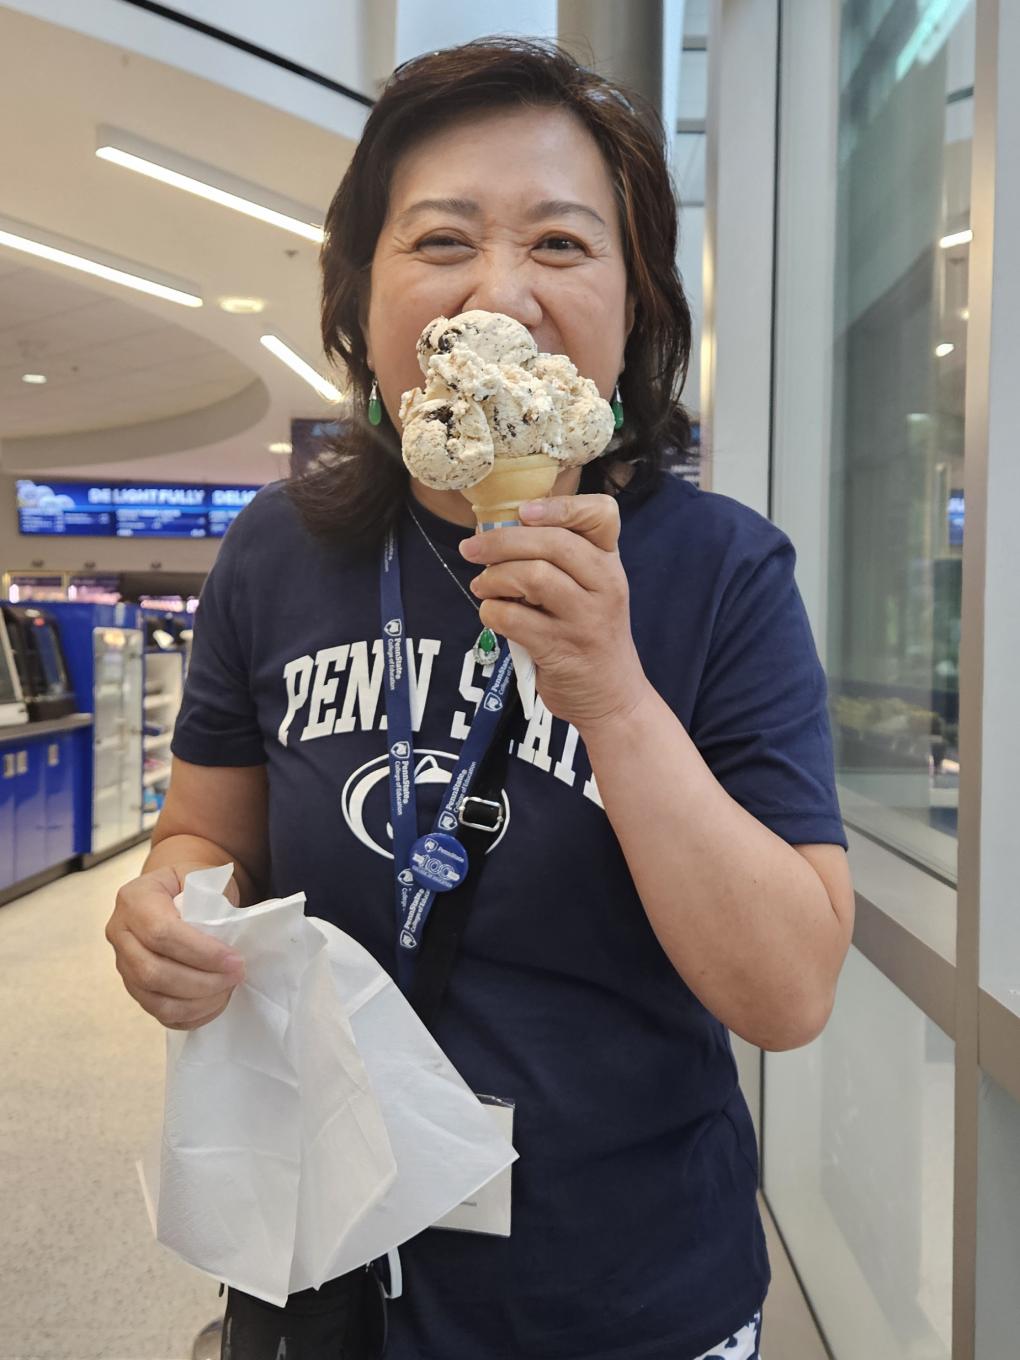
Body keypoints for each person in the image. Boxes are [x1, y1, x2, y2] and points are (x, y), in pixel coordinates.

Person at [106, 38, 854, 1360]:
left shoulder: (721, 570)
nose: (497, 291)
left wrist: (616, 703)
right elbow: (204, 834)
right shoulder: (280, 554)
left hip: (626, 1293)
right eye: (441, 239)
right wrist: (171, 905)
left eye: (561, 245)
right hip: (325, 1256)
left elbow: (789, 990)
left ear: (638, 311)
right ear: (361, 294)